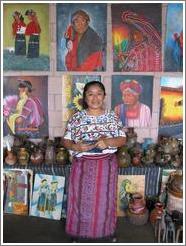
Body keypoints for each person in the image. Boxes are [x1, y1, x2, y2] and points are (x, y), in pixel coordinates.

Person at [63, 81, 126, 242]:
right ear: (85, 97)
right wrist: (76, 146)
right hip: (82, 166)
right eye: (90, 93)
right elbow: (66, 141)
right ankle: (78, 233)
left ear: (104, 96)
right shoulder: (76, 118)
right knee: (79, 200)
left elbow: (122, 139)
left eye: (99, 93)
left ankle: (106, 232)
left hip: (105, 166)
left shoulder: (112, 117)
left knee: (105, 201)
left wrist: (109, 142)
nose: (95, 97)